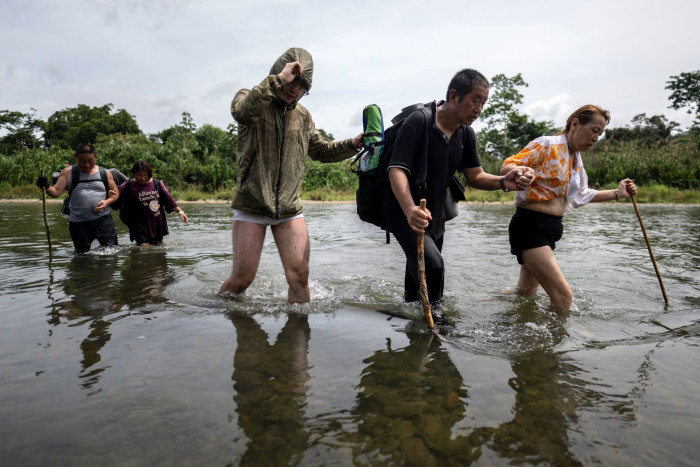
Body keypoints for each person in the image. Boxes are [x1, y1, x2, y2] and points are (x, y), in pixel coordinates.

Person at [218, 47, 363, 303]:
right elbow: (241, 112)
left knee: (299, 275)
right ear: (279, 72)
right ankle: (218, 310)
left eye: (302, 86)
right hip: (252, 205)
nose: (295, 89)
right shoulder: (251, 98)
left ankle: (297, 334)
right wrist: (277, 81)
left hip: (290, 209)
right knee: (242, 279)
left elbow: (320, 150)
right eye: (291, 82)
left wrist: (353, 144)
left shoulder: (303, 116)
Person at [382, 68, 534, 307]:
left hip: (435, 213)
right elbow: (397, 169)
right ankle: (439, 326)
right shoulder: (420, 121)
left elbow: (475, 176)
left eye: (483, 103)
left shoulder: (466, 133)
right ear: (454, 96)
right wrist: (410, 209)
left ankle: (413, 321)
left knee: (420, 269)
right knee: (434, 265)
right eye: (475, 100)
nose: (479, 109)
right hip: (404, 210)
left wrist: (505, 182)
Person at [500, 105, 638, 311]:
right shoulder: (548, 144)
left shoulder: (576, 160)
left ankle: (497, 313)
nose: (596, 138)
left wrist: (618, 193)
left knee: (526, 294)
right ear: (575, 124)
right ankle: (557, 341)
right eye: (594, 130)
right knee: (564, 297)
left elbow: (582, 194)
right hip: (531, 227)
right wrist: (519, 172)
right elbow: (508, 165)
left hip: (548, 229)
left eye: (600, 134)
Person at [36, 143, 120, 253]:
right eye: (82, 161)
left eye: (90, 161)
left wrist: (106, 202)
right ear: (76, 157)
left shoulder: (105, 173)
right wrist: (46, 186)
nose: (86, 165)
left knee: (111, 252)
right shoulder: (68, 173)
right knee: (82, 256)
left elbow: (116, 194)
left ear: (96, 157)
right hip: (79, 223)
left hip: (103, 220)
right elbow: (56, 192)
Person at [113, 160, 188, 248]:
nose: (143, 178)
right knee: (144, 247)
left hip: (156, 222)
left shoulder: (157, 183)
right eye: (139, 175)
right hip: (138, 224)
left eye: (145, 175)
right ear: (134, 174)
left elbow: (168, 199)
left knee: (157, 247)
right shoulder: (128, 186)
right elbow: (115, 200)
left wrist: (180, 212)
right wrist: (111, 195)